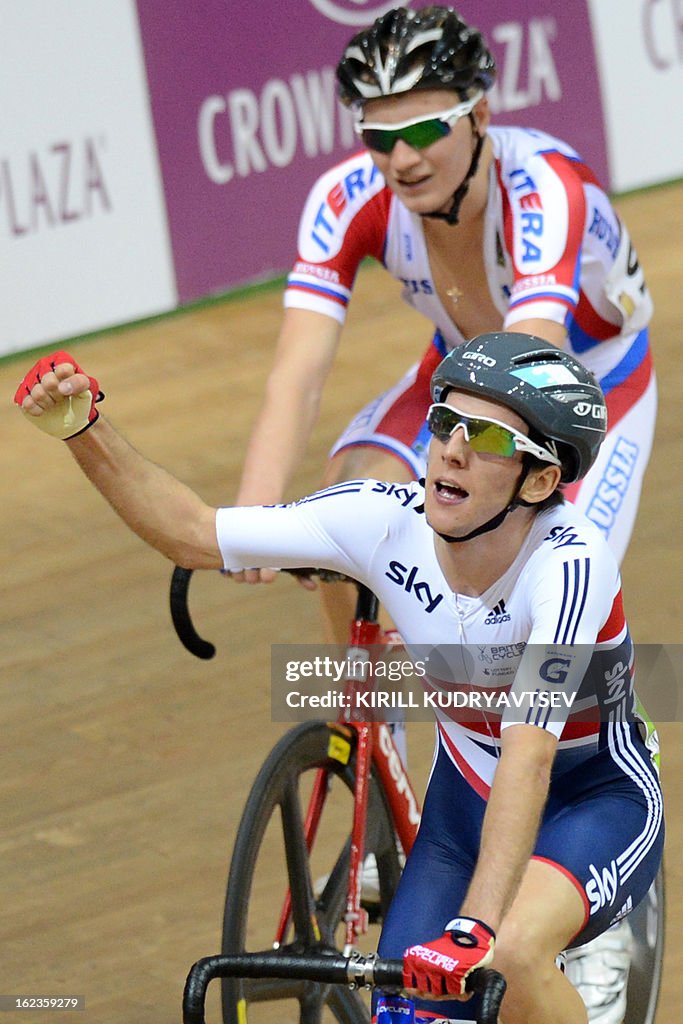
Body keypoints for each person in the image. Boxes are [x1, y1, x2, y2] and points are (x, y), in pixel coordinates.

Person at [14, 334, 663, 1024]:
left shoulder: (571, 564)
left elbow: (529, 755)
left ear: (539, 480)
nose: (450, 448)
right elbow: (192, 532)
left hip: (589, 800)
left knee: (509, 954)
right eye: (445, 422)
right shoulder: (382, 519)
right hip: (463, 808)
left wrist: (473, 928)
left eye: (489, 440)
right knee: (409, 1012)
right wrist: (84, 429)